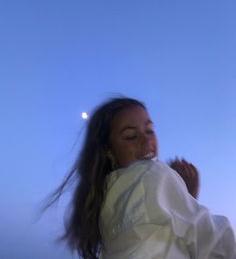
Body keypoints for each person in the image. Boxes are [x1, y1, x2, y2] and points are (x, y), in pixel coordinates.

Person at [47, 97, 236, 259]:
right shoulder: (152, 175)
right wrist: (186, 197)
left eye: (150, 131)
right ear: (109, 152)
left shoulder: (106, 208)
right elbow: (215, 242)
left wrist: (184, 197)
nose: (146, 141)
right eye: (131, 136)